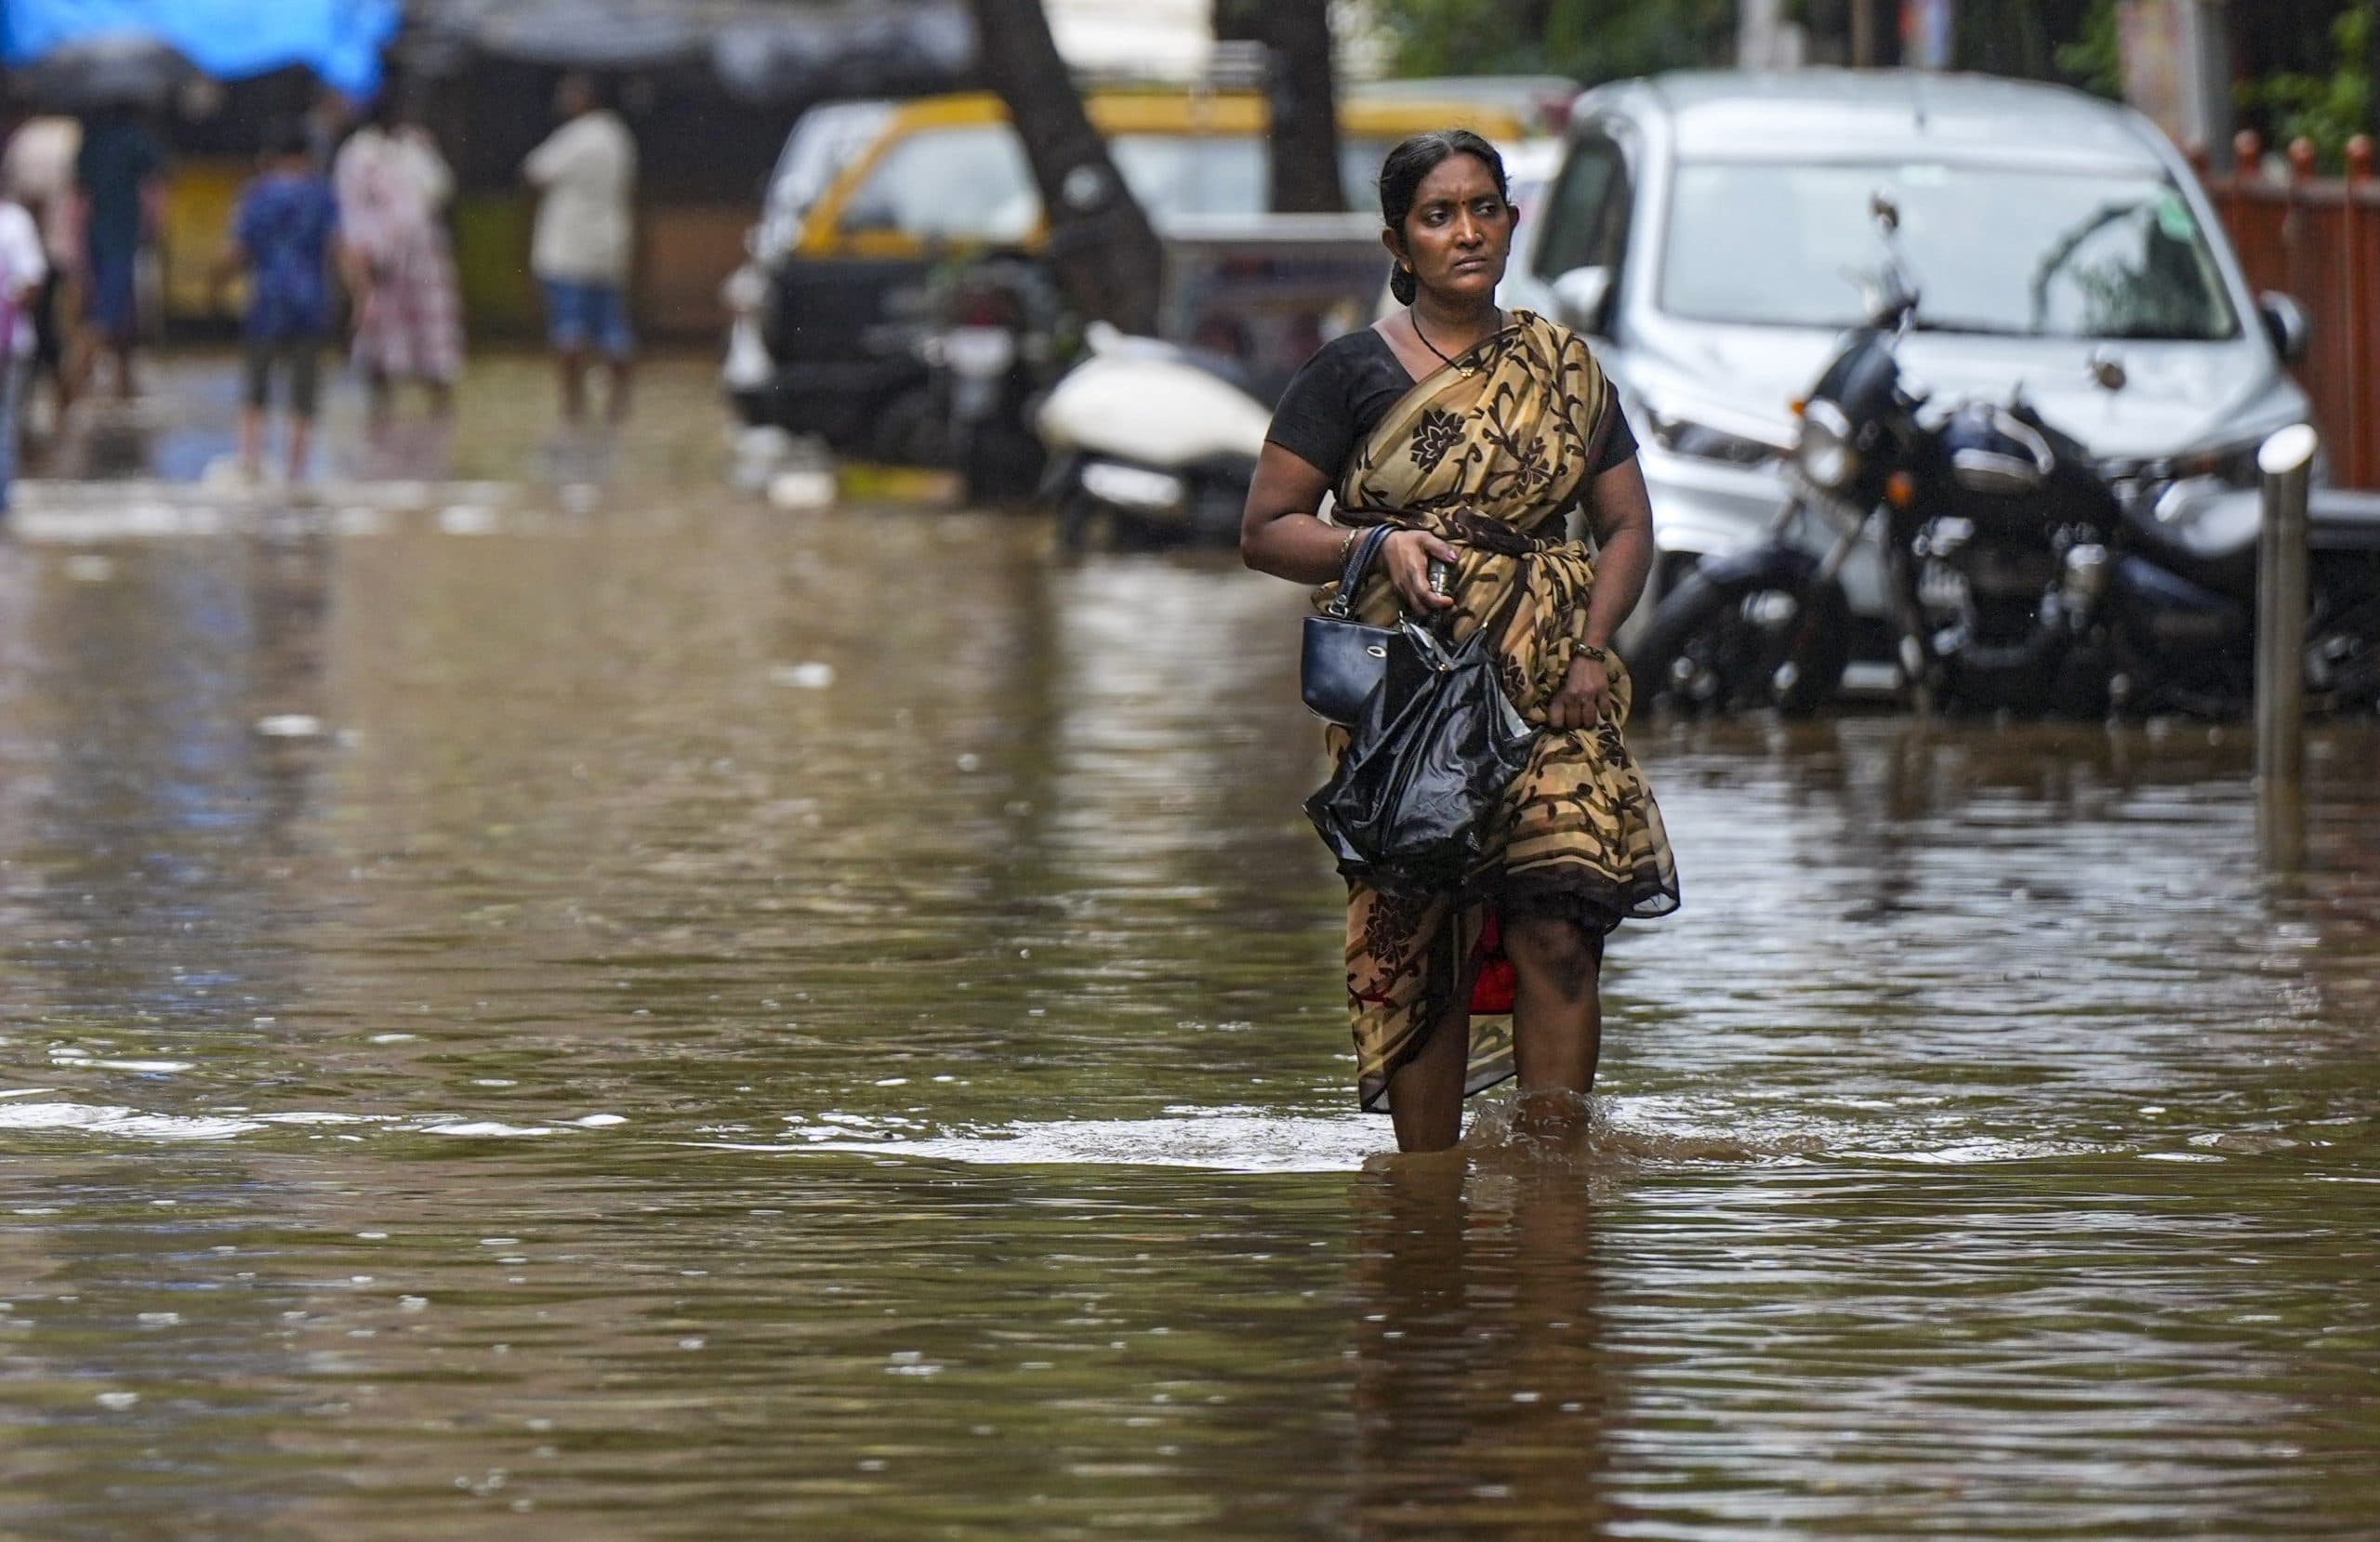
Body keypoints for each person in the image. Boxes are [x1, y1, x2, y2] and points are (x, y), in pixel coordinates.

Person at [1239, 130, 1680, 1155]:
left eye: (1484, 208)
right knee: (1423, 940)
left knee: (1560, 925)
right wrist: (1374, 544)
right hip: (1411, 699)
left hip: (1553, 689)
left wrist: (1591, 650)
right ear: (1399, 243)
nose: (1467, 232)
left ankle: (1553, 1174)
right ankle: (1426, 1192)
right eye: (1438, 216)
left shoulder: (1565, 369)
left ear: (1513, 223)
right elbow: (1265, 531)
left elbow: (1626, 526)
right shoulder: (1347, 373)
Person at [215, 125, 341, 484]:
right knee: (304, 394)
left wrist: (215, 284)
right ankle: (295, 474)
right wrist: (363, 294)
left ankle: (251, 463)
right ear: (308, 156)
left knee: (256, 388)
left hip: (266, 301)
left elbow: (238, 250)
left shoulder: (256, 194)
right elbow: (339, 247)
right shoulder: (321, 194)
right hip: (310, 301)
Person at [334, 90, 464, 417]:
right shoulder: (358, 154)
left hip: (423, 254)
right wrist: (363, 257)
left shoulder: (414, 147)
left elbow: (439, 189)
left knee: (434, 331)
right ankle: (381, 414)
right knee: (379, 333)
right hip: (379, 256)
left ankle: (441, 415)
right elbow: (352, 209)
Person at [522, 72, 637, 422]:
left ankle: (573, 405)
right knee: (612, 328)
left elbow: (534, 172)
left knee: (569, 329)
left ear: (586, 98)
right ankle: (619, 404)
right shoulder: (618, 137)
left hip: (567, 249)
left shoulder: (575, 138)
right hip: (609, 246)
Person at [73, 104, 165, 402]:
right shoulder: (137, 141)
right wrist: (155, 225)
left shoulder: (92, 143)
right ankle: (71, 385)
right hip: (123, 237)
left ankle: (124, 386)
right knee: (107, 316)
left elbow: (80, 191)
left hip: (95, 235)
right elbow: (157, 183)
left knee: (121, 312)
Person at [2, 112, 83, 430]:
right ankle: (60, 397)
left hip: (35, 253)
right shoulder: (69, 137)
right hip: (55, 250)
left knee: (44, 328)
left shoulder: (21, 143)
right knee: (50, 327)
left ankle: (51, 396)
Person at [0, 185, 48, 513]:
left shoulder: (14, 222)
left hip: (10, 345)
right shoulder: (15, 222)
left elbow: (33, 282)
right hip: (12, 344)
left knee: (5, 427)